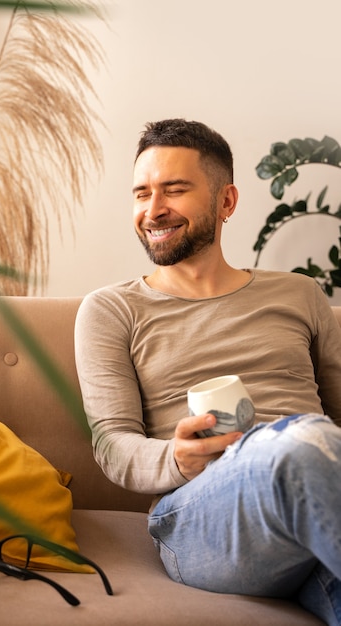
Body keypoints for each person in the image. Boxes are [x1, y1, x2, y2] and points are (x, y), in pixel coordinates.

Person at [74, 118, 341, 625]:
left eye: (174, 190)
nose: (152, 211)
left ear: (226, 202)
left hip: (312, 497)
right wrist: (178, 459)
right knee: (303, 444)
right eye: (142, 194)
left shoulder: (301, 293)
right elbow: (111, 443)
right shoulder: (112, 309)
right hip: (198, 518)